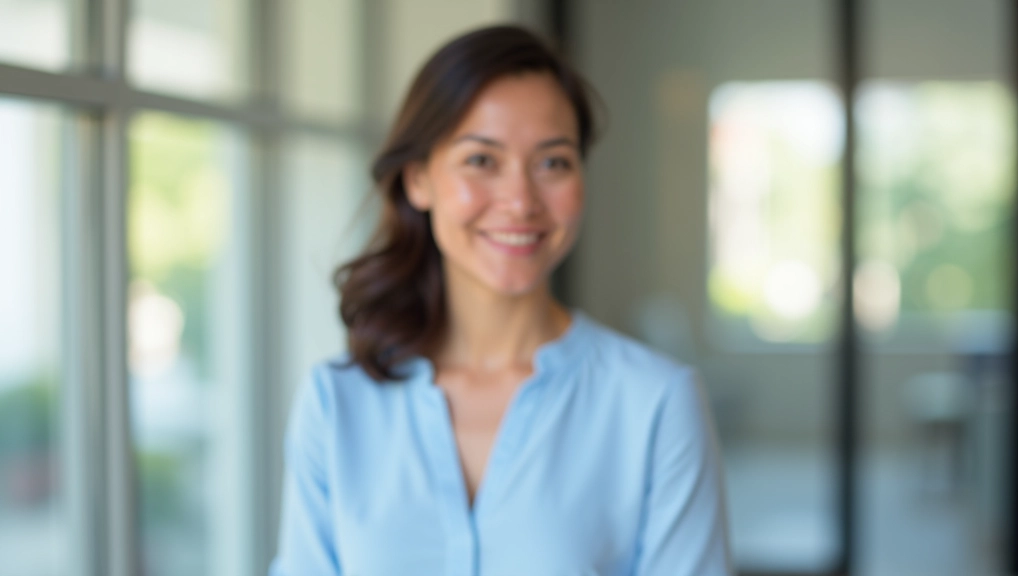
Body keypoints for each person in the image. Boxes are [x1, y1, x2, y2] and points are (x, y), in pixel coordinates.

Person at [270, 24, 732, 576]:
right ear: (418, 179)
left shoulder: (655, 404)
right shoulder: (337, 403)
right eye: (481, 161)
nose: (519, 201)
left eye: (553, 162)